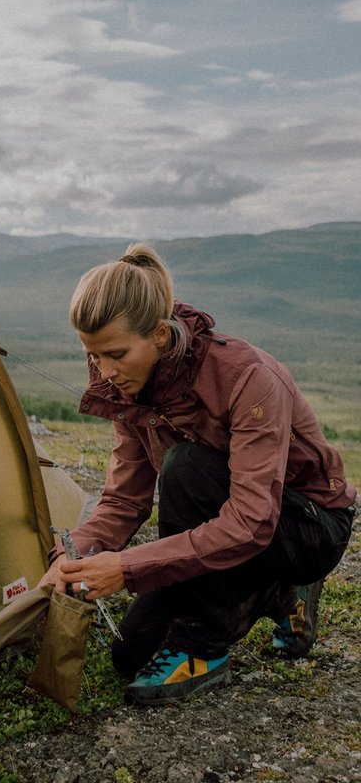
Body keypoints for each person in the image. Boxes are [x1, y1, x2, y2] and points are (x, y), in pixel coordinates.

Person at [38, 242, 356, 705]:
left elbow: (251, 522)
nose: (104, 373)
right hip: (228, 527)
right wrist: (74, 555)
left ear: (159, 336)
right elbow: (124, 501)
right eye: (93, 355)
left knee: (186, 466)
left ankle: (203, 652)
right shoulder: (130, 389)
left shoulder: (246, 377)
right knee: (129, 654)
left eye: (116, 354)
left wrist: (127, 569)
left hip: (306, 526)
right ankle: (280, 595)